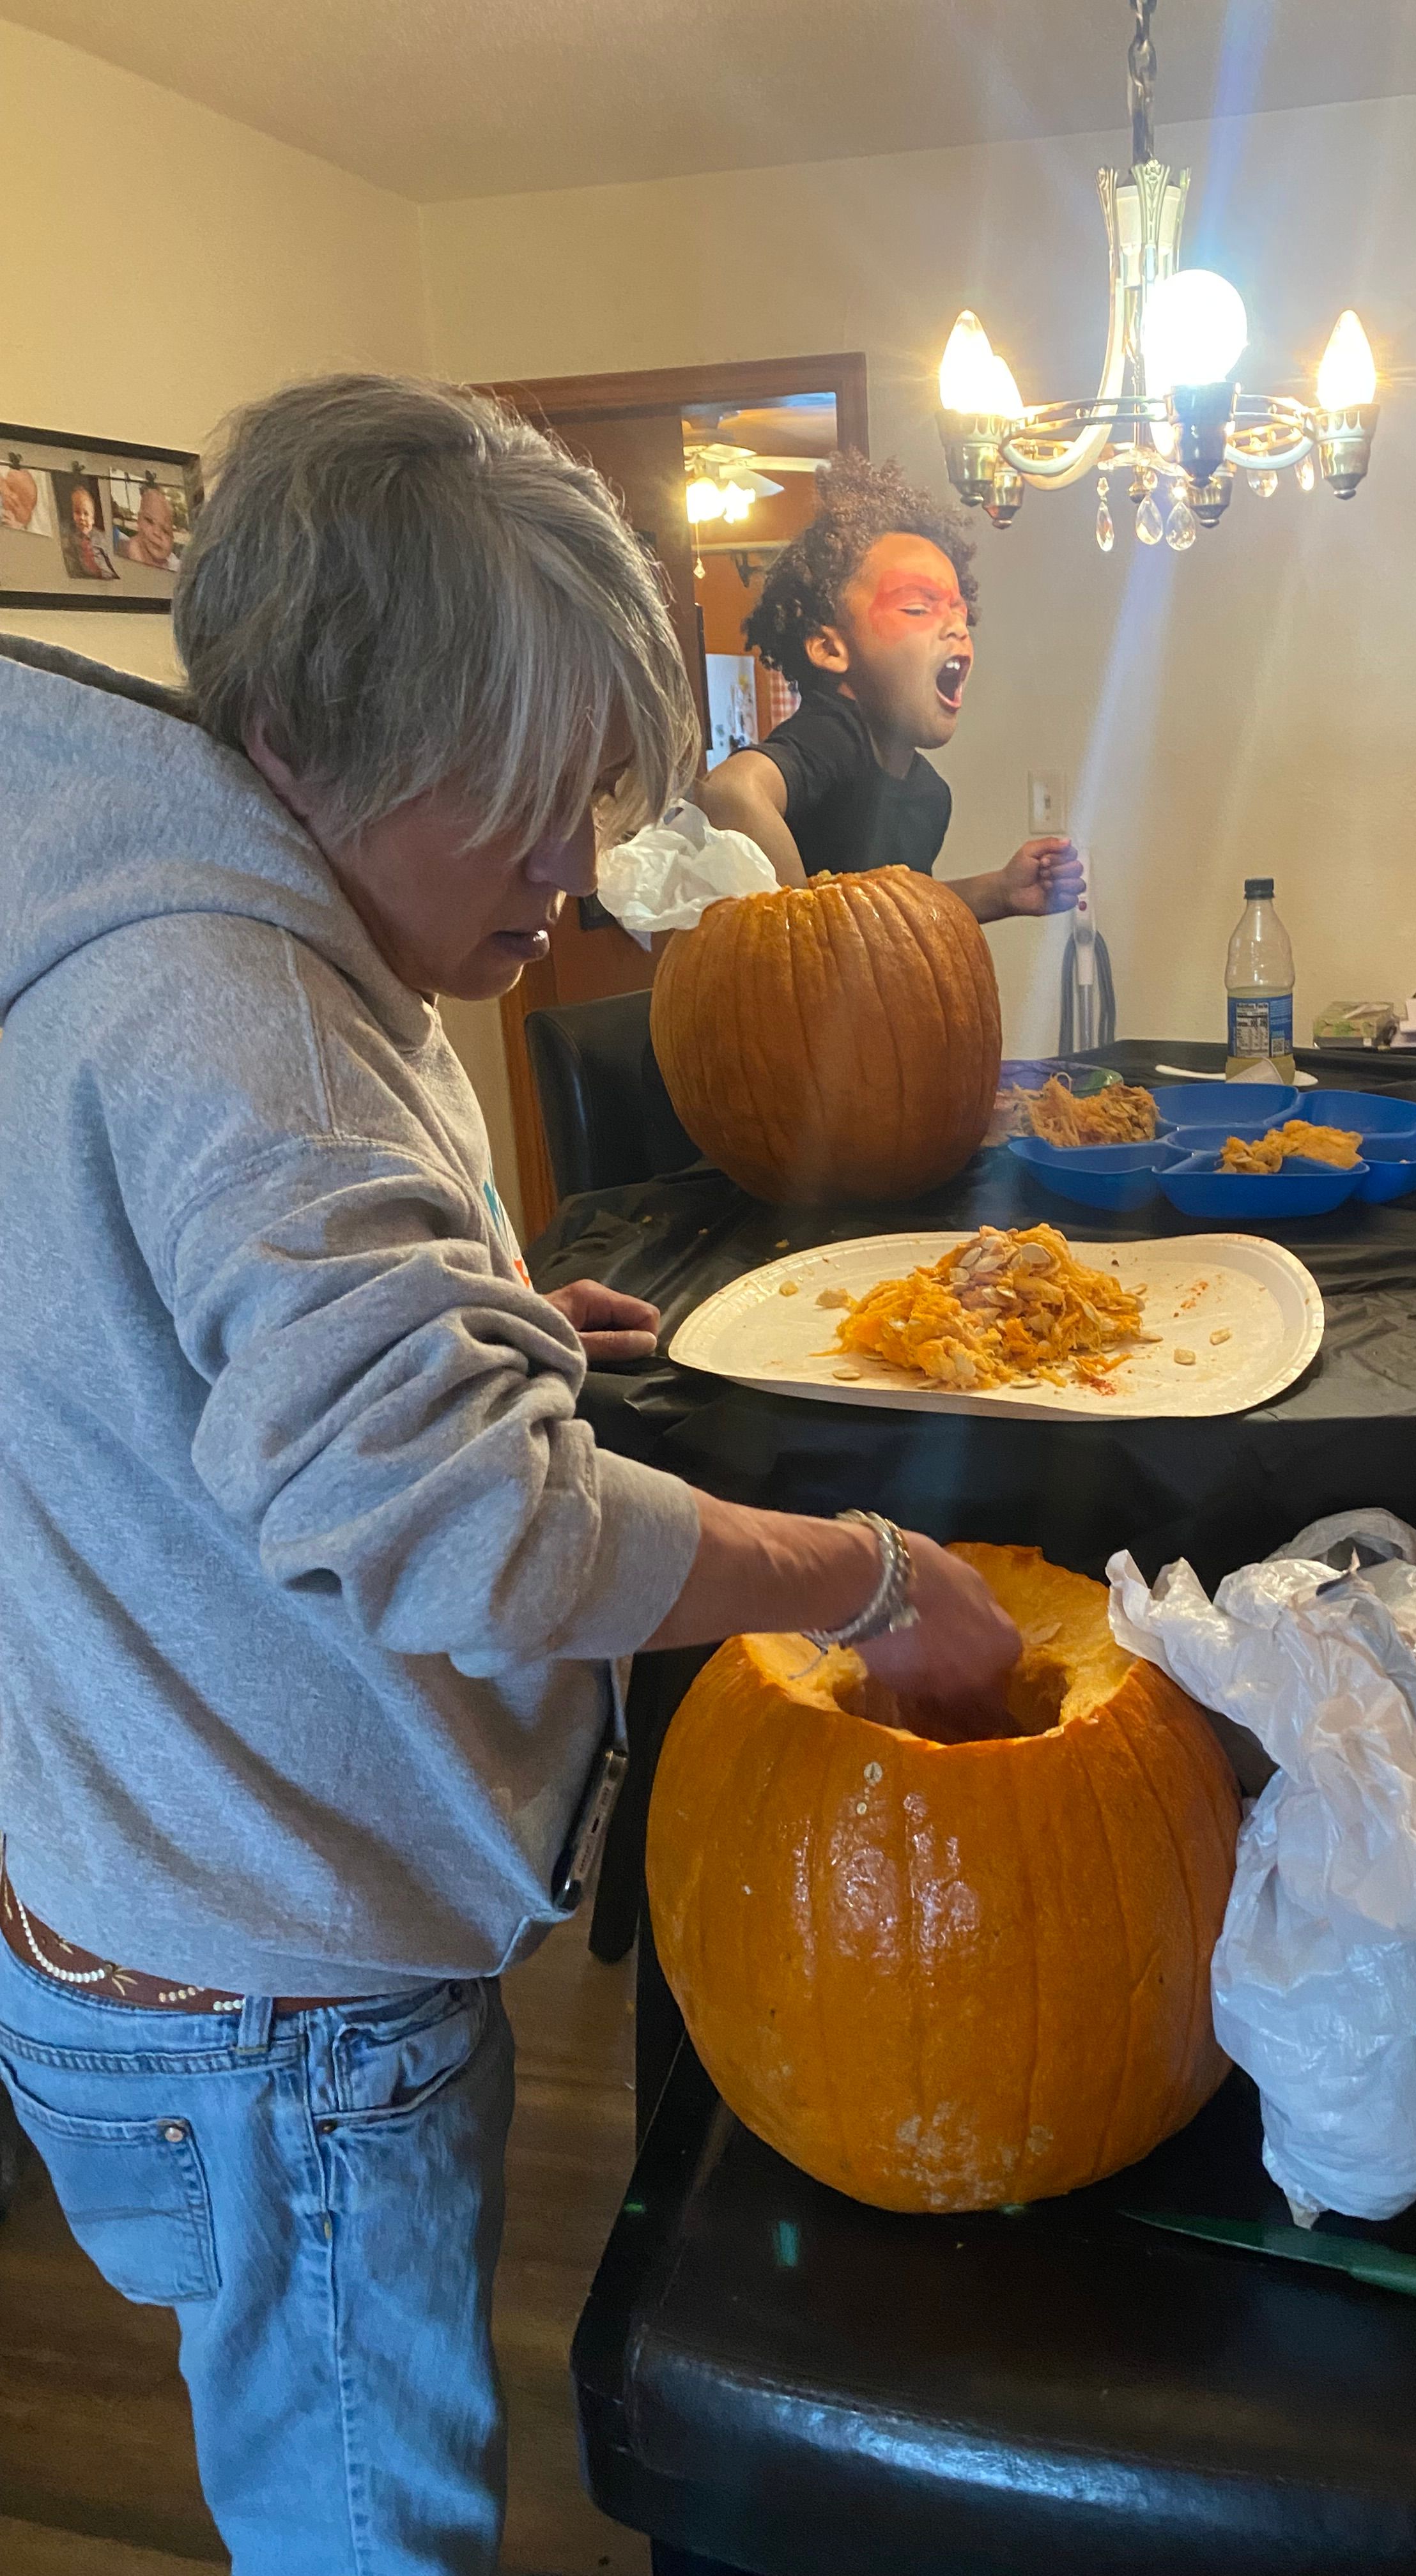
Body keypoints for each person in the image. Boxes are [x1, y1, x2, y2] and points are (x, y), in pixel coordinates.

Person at [0, 373, 1020, 2576]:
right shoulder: (240, 1012)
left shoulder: (152, 916)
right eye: (529, 806)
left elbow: (158, 1331)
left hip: (154, 1914)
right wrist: (853, 1574)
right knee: (360, 2526)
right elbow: (475, 1529)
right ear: (324, 737)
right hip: (280, 1993)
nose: (572, 877)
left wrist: (493, 1317)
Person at [696, 452, 1084, 924]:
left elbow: (896, 920)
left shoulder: (928, 793)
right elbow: (732, 791)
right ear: (830, 648)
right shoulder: (835, 737)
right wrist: (807, 932)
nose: (956, 629)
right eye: (918, 610)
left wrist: (1000, 892)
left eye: (959, 613)